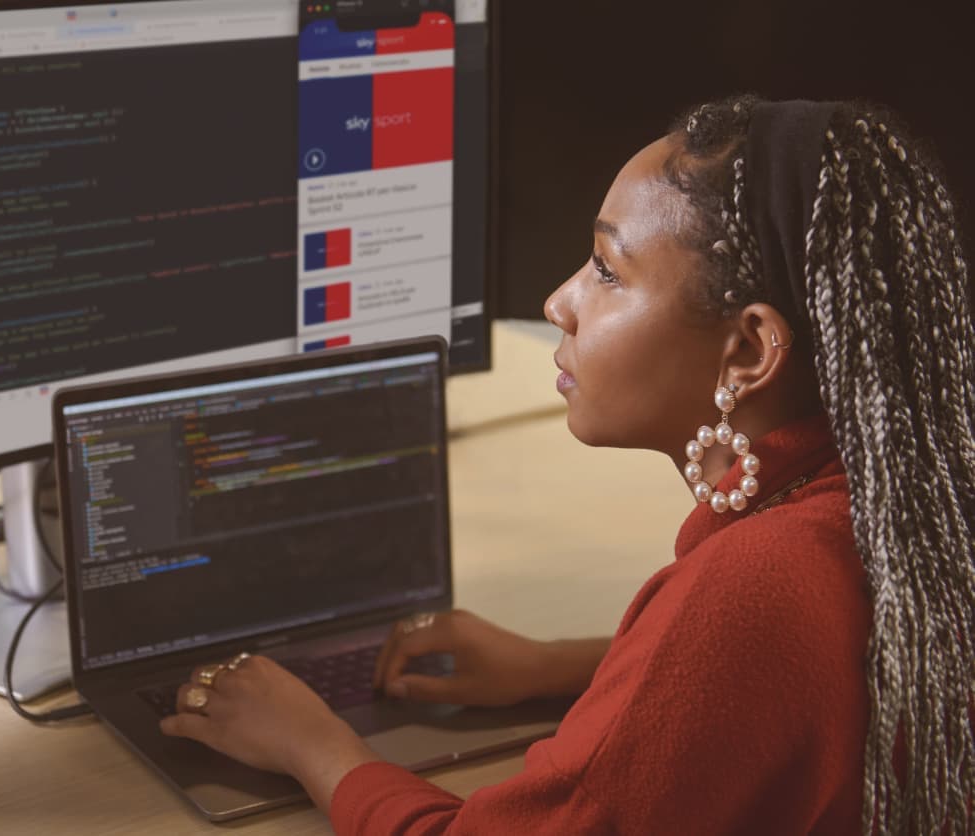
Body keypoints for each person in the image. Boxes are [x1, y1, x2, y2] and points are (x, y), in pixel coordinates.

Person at [159, 96, 975, 834]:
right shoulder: (903, 510)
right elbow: (788, 682)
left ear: (748, 350)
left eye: (607, 270)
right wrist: (564, 667)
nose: (560, 301)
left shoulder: (755, 588)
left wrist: (313, 745)